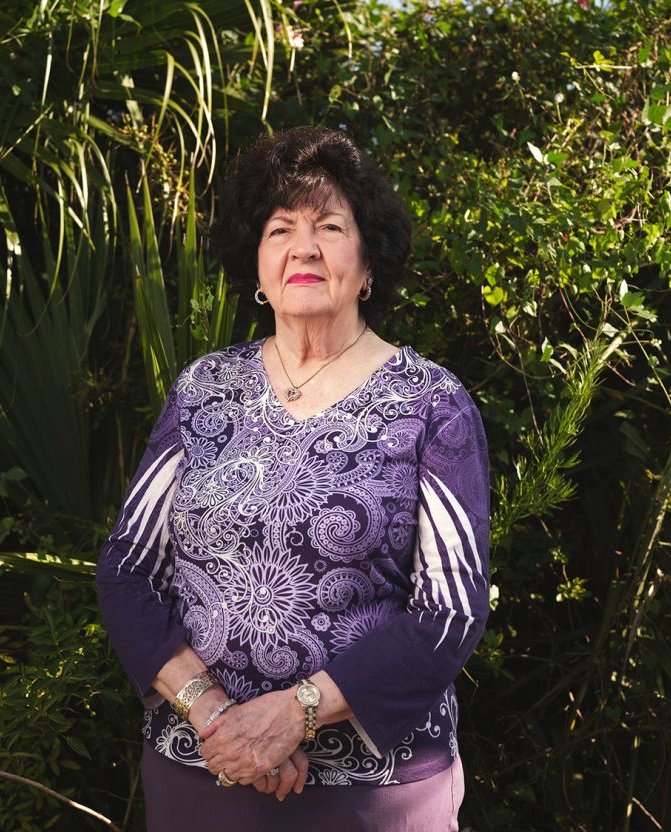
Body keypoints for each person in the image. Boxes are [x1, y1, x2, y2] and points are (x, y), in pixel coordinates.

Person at [95, 126, 490, 830]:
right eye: (280, 229)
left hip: (372, 795)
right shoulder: (202, 390)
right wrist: (222, 721)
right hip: (202, 775)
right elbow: (127, 574)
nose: (303, 247)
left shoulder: (430, 402)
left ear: (368, 263)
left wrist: (292, 715)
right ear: (257, 263)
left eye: (329, 226)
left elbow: (449, 611)